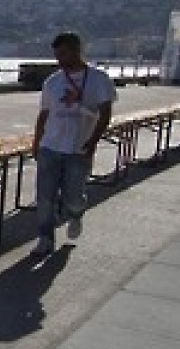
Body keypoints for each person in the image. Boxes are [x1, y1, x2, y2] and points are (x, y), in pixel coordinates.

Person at [31, 32, 116, 256]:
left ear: (77, 50)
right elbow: (44, 114)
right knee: (44, 196)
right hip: (51, 146)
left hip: (79, 148)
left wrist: (93, 141)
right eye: (56, 55)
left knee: (74, 196)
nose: (59, 59)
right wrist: (36, 142)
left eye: (63, 53)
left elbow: (105, 114)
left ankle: (76, 214)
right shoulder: (53, 82)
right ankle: (45, 238)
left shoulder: (99, 80)